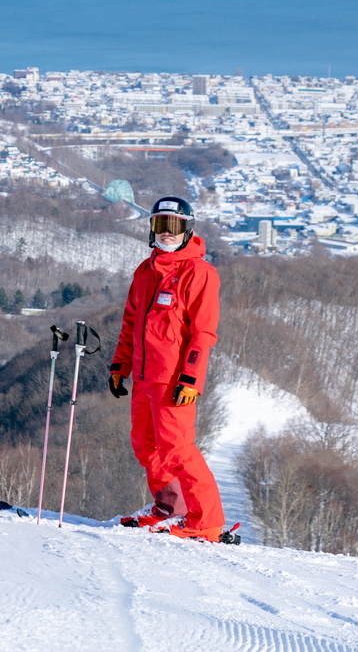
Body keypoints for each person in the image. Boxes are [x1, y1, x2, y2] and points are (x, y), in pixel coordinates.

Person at [108, 195, 224, 540]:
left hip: (173, 380)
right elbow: (131, 323)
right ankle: (169, 509)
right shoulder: (145, 272)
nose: (167, 233)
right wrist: (120, 364)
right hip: (144, 377)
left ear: (188, 229)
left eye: (174, 226)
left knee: (177, 449)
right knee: (145, 446)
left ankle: (206, 522)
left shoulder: (199, 273)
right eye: (161, 225)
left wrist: (191, 377)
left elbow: (203, 333)